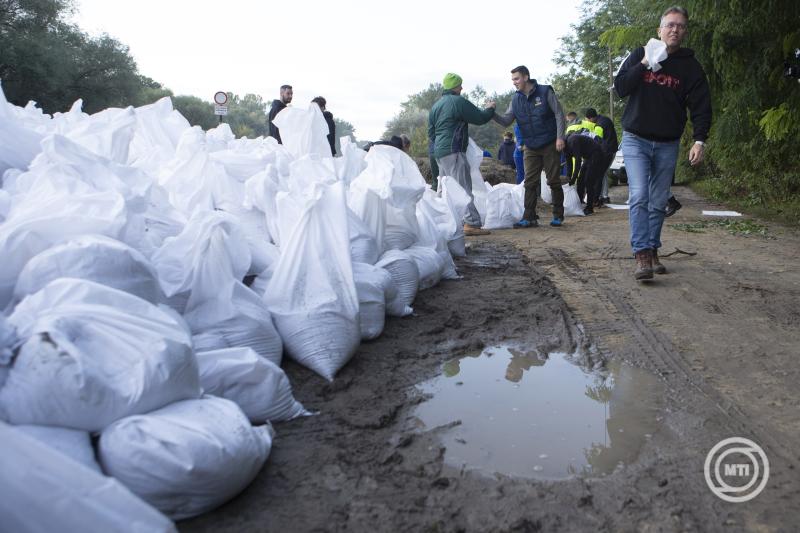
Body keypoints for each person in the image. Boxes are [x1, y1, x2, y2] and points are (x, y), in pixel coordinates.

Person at [614, 5, 711, 281]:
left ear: (685, 32)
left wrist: (699, 140)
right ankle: (642, 254)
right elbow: (620, 87)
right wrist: (644, 62)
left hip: (668, 143)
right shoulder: (639, 53)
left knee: (658, 201)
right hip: (636, 139)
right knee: (639, 195)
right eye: (670, 25)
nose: (675, 30)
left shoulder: (690, 67)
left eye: (680, 26)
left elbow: (702, 106)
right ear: (660, 30)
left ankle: (652, 247)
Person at [493, 65, 567, 227]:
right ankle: (529, 217)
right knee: (530, 182)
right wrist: (492, 113)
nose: (514, 82)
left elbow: (559, 114)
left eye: (517, 79)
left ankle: (558, 215)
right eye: (512, 79)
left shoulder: (545, 91)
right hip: (530, 146)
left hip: (549, 143)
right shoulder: (515, 99)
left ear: (526, 77)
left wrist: (560, 137)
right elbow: (506, 121)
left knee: (553, 180)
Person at [428, 72, 496, 236]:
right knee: (463, 187)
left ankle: (443, 221)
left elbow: (431, 133)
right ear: (455, 87)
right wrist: (490, 109)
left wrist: (440, 146)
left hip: (439, 152)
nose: (462, 88)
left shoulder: (436, 106)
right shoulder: (458, 102)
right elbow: (480, 118)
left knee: (444, 188)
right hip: (454, 150)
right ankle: (471, 223)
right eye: (460, 85)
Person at [564, 132, 605, 215]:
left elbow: (578, 161)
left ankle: (590, 207)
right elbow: (569, 164)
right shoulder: (564, 148)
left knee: (588, 181)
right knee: (580, 181)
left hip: (596, 153)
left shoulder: (573, 141)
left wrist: (574, 178)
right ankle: (578, 204)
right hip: (588, 157)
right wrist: (569, 179)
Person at [585, 107, 618, 206]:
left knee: (600, 174)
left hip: (607, 152)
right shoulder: (605, 119)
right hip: (612, 149)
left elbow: (597, 141)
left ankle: (599, 197)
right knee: (603, 173)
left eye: (588, 120)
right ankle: (604, 196)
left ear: (591, 118)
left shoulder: (599, 125)